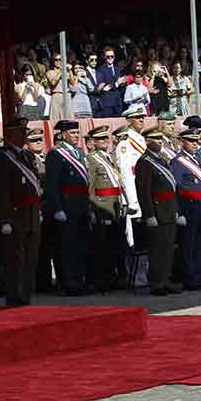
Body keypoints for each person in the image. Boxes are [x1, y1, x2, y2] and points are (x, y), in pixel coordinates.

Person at [0, 118, 42, 305]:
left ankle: (26, 296)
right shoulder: (3, 157)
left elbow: (35, 185)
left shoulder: (28, 156)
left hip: (31, 213)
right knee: (16, 259)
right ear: (11, 134)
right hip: (15, 215)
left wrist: (38, 209)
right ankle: (15, 297)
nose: (24, 136)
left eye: (24, 132)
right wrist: (5, 218)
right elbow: (1, 190)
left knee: (30, 259)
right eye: (20, 132)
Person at [45, 120, 93, 296]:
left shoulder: (79, 153)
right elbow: (52, 184)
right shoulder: (56, 154)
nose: (76, 136)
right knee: (68, 247)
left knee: (81, 246)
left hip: (80, 205)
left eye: (77, 133)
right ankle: (69, 283)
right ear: (63, 134)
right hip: (66, 206)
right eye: (72, 133)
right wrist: (57, 208)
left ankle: (79, 280)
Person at [134, 126, 184, 295]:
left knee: (169, 248)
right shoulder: (144, 162)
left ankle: (166, 279)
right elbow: (144, 191)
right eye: (156, 139)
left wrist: (176, 209)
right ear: (147, 141)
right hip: (157, 211)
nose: (160, 142)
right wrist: (149, 214)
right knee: (157, 249)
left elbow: (172, 188)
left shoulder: (161, 160)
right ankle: (157, 283)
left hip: (169, 209)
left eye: (161, 139)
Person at [86, 124, 128, 293]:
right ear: (93, 142)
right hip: (102, 206)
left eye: (105, 138)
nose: (103, 141)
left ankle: (117, 277)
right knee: (103, 246)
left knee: (117, 244)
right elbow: (90, 187)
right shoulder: (91, 159)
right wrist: (91, 209)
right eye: (99, 139)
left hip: (115, 204)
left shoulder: (109, 157)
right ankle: (104, 279)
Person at [171, 128, 201, 290]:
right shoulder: (178, 161)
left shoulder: (197, 159)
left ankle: (200, 277)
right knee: (189, 244)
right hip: (188, 207)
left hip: (200, 206)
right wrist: (179, 212)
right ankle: (190, 278)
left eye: (196, 141)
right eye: (191, 141)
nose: (195, 144)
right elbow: (176, 188)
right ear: (183, 142)